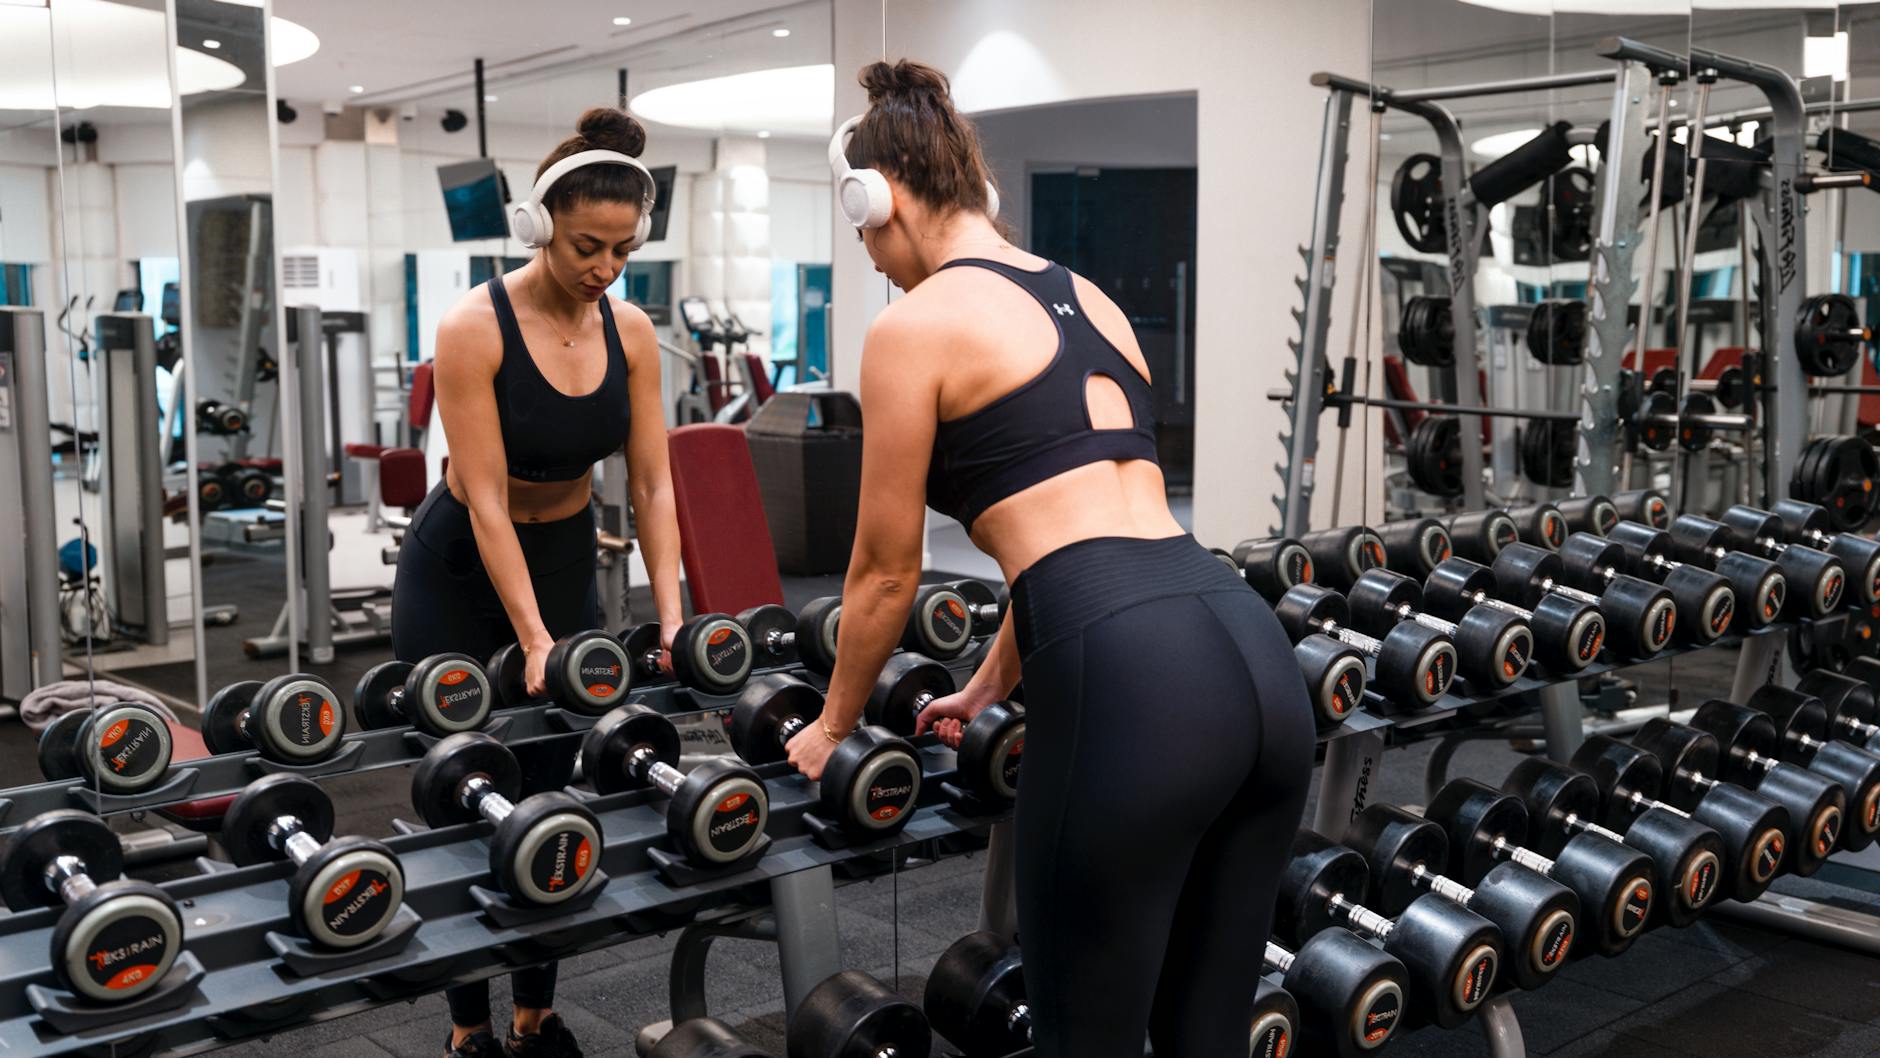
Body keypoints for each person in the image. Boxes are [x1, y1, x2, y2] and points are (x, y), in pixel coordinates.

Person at [786, 60, 1316, 1056]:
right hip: (1250, 656)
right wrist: (992, 681)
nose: (872, 260)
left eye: (863, 235)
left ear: (880, 198)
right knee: (1207, 1035)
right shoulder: (1089, 297)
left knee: (1086, 1038)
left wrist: (832, 724)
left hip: (1134, 687)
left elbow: (885, 571)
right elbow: (1080, 530)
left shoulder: (912, 327)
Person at [391, 106, 686, 1058]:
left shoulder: (631, 331)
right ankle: (466, 1025)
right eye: (586, 246)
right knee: (465, 785)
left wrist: (672, 618)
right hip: (458, 570)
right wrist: (531, 640)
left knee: (552, 792)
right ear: (538, 226)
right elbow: (483, 499)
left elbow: (653, 485)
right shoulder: (472, 327)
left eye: (623, 250)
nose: (605, 268)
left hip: (561, 559)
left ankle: (535, 1013)